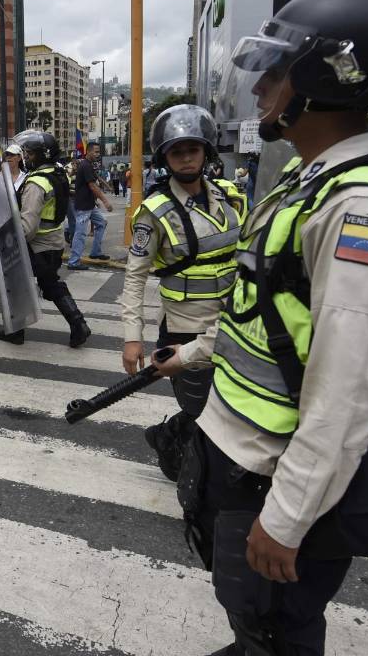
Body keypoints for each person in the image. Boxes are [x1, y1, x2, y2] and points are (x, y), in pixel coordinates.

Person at [151, 0, 368, 656]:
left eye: (277, 72)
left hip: (272, 476)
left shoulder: (364, 209)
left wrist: (286, 519)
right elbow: (262, 313)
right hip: (240, 453)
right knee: (251, 616)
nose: (260, 89)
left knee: (277, 625)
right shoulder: (306, 185)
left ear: (325, 76)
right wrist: (190, 354)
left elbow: (348, 391)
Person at [121, 106, 246, 481]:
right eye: (177, 151)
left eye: (193, 148)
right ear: (165, 158)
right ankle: (172, 445)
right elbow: (134, 278)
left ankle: (174, 441)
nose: (187, 157)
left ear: (207, 152)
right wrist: (132, 338)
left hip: (233, 324)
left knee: (229, 407)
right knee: (201, 409)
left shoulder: (231, 195)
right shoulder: (154, 212)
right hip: (184, 329)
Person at [0, 130, 91, 348]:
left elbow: (28, 228)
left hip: (37, 245)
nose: (26, 157)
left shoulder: (36, 183)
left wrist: (7, 237)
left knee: (19, 285)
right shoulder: (58, 174)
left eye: (30, 154)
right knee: (50, 285)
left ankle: (19, 332)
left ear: (43, 154)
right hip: (54, 243)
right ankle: (77, 325)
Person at [68, 142, 113, 269]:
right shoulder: (85, 165)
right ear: (88, 152)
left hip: (90, 205)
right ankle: (73, 262)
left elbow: (96, 178)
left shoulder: (89, 165)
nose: (98, 154)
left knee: (102, 223)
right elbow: (92, 186)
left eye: (99, 152)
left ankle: (95, 252)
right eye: (96, 152)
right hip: (83, 206)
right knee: (80, 233)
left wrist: (106, 185)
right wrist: (105, 201)